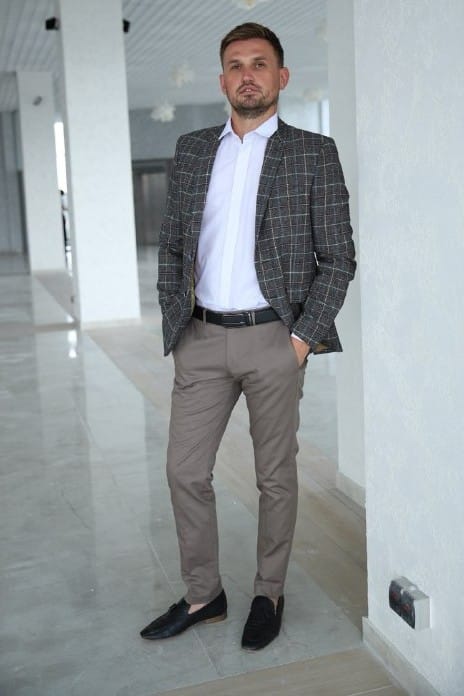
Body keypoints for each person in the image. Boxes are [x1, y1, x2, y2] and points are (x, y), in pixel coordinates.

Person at [140, 22, 356, 651]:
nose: (247, 75)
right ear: (222, 80)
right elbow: (172, 246)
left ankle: (269, 592)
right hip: (202, 338)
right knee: (184, 471)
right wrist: (177, 323)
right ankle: (203, 595)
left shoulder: (313, 153)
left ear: (281, 77)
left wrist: (300, 342)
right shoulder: (191, 150)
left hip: (274, 340)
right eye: (235, 65)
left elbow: (338, 258)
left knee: (275, 478)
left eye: (259, 63)